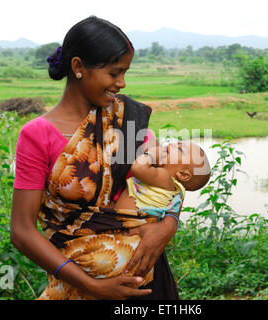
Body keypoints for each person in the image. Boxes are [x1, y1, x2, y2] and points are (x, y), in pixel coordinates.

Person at [10, 16, 184, 300]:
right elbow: (21, 231)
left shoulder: (127, 121)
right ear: (78, 67)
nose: (122, 83)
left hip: (145, 283)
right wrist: (92, 286)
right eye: (114, 73)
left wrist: (169, 225)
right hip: (80, 283)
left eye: (125, 73)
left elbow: (167, 180)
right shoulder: (38, 135)